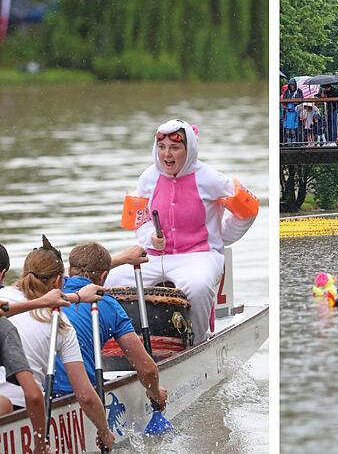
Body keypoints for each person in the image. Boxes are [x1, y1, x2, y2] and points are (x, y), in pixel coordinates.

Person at [106, 119, 257, 344]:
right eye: (162, 147)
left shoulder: (211, 178)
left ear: (189, 149)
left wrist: (220, 237)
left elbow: (247, 211)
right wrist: (150, 237)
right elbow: (141, 220)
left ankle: (196, 342)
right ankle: (118, 342)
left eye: (175, 148)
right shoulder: (149, 177)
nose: (167, 154)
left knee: (197, 286)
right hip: (154, 256)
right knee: (113, 279)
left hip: (199, 255)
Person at [0, 239, 114, 451]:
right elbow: (86, 396)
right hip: (25, 408)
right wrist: (104, 431)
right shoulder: (60, 324)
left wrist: (76, 297)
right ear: (60, 280)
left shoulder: (4, 298)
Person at [52, 242, 167, 411]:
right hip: (83, 394)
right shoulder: (108, 305)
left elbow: (89, 269)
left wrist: (123, 259)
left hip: (45, 390)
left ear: (69, 271)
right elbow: (146, 369)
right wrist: (156, 393)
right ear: (104, 276)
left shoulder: (51, 292)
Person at [281, 78, 303, 147]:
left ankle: (296, 143)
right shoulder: (287, 91)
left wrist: (296, 101)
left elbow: (302, 100)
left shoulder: (299, 91)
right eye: (290, 85)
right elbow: (284, 100)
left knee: (295, 129)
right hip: (288, 111)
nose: (292, 87)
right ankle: (288, 143)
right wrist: (289, 100)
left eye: (293, 85)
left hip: (296, 112)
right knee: (288, 130)